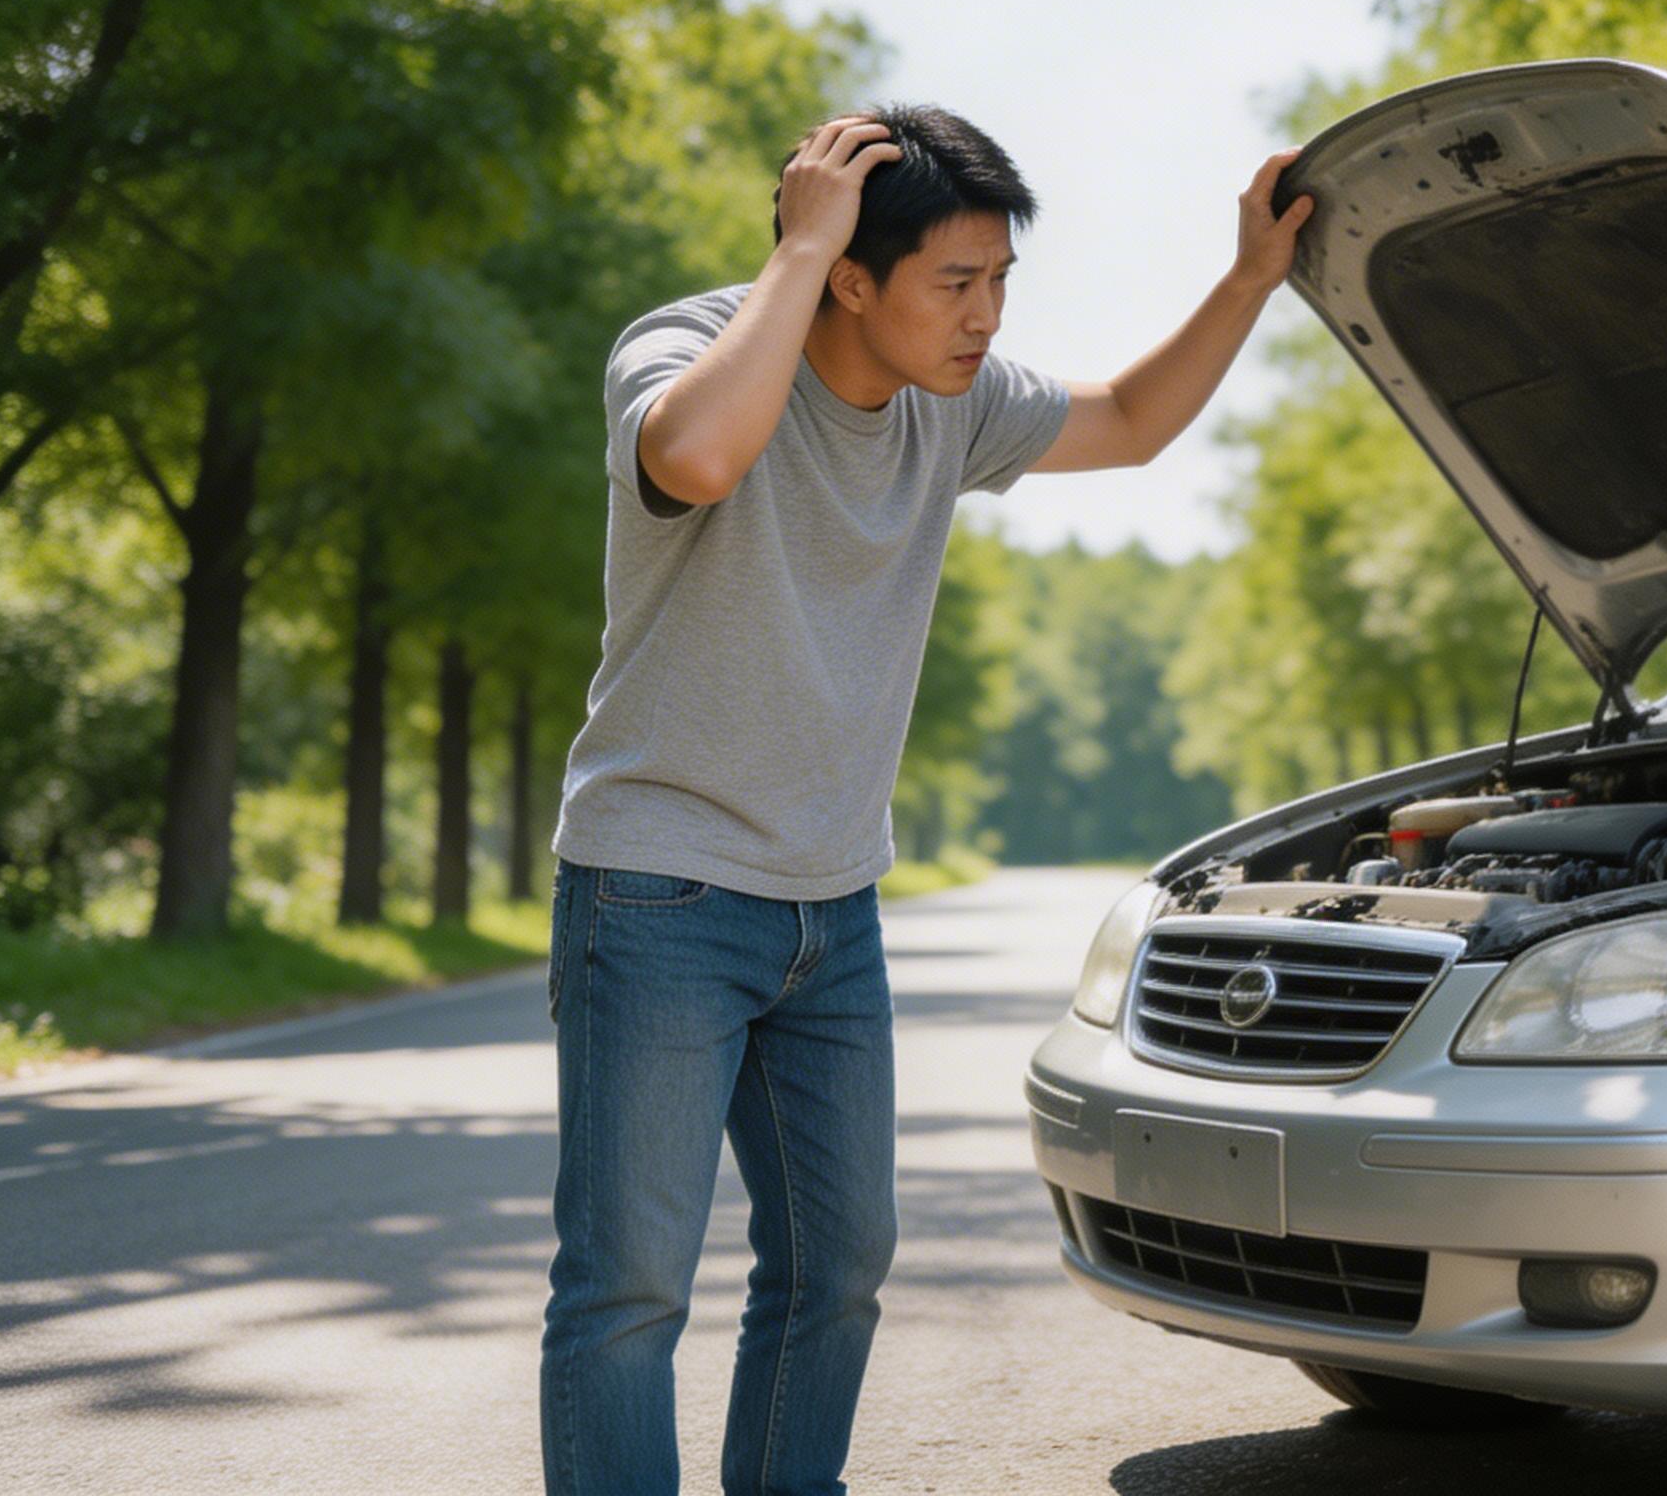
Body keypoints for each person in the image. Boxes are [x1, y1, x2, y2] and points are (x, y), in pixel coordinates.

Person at [538, 103, 1313, 1494]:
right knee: (630, 1286)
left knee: (838, 1264)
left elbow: (1131, 422)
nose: (984, 317)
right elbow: (699, 458)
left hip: (831, 907)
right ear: (847, 273)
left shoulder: (950, 409)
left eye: (1000, 281)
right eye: (955, 284)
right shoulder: (679, 350)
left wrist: (1250, 277)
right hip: (657, 891)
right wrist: (795, 253)